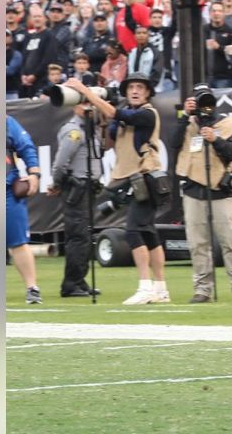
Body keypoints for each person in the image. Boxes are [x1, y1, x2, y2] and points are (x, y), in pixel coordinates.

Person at [64, 73, 171, 305]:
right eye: (131, 87)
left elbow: (116, 113)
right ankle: (161, 288)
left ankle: (145, 287)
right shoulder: (126, 116)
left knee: (133, 231)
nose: (134, 91)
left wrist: (87, 92)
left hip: (145, 177)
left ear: (148, 93)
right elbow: (108, 143)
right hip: (131, 178)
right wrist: (101, 118)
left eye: (140, 87)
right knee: (149, 234)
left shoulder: (147, 113)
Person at [171, 84, 232, 303]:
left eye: (207, 101)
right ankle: (202, 289)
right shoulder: (187, 123)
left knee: (231, 242)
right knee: (198, 243)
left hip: (221, 191)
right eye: (199, 101)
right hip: (193, 190)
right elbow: (173, 143)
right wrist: (184, 116)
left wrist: (215, 139)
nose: (204, 106)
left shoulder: (227, 124)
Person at [47, 102, 104, 298]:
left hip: (88, 188)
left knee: (85, 236)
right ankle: (70, 284)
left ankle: (79, 280)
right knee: (78, 236)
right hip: (77, 188)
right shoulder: (73, 131)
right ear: (75, 106)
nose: (90, 107)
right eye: (84, 103)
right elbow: (61, 162)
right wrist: (57, 183)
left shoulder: (91, 129)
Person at [6, 115, 43, 304]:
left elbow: (25, 145)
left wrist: (34, 173)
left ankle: (32, 288)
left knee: (18, 242)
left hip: (5, 190)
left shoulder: (5, 122)